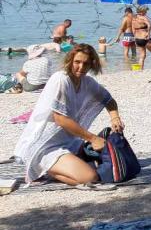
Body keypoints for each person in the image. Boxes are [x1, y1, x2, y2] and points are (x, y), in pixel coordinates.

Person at [13, 44, 124, 185]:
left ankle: (60, 166)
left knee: (106, 163)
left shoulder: (87, 82)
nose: (81, 67)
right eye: (77, 62)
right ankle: (44, 169)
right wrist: (93, 139)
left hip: (70, 142)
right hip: (45, 146)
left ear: (92, 64)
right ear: (70, 60)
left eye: (86, 63)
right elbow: (61, 119)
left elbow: (109, 100)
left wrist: (115, 118)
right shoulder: (61, 79)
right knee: (90, 177)